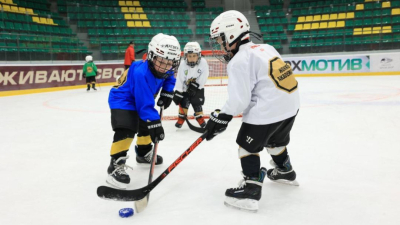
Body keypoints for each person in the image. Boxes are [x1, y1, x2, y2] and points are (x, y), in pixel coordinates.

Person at [206, 10, 300, 212]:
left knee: (246, 146)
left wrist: (221, 118)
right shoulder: (266, 48)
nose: (219, 45)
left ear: (231, 35)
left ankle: (251, 189)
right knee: (275, 141)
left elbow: (239, 101)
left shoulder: (239, 60)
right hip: (291, 106)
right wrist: (223, 116)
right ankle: (285, 171)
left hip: (269, 110)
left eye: (220, 40)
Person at [106, 33, 181, 189]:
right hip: (123, 99)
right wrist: (155, 122)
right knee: (127, 127)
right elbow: (144, 105)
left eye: (169, 63)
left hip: (141, 99)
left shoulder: (165, 68)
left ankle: (143, 153)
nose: (164, 67)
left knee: (146, 125)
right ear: (152, 56)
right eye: (161, 61)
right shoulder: (141, 73)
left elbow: (169, 77)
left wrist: (168, 91)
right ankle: (116, 163)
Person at [173, 42, 210, 128]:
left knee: (197, 103)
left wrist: (197, 86)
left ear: (198, 55)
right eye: (189, 56)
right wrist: (178, 91)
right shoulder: (183, 64)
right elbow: (180, 78)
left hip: (197, 88)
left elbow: (205, 76)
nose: (192, 58)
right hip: (185, 89)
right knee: (184, 102)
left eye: (194, 56)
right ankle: (181, 117)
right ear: (186, 56)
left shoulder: (203, 63)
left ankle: (199, 117)